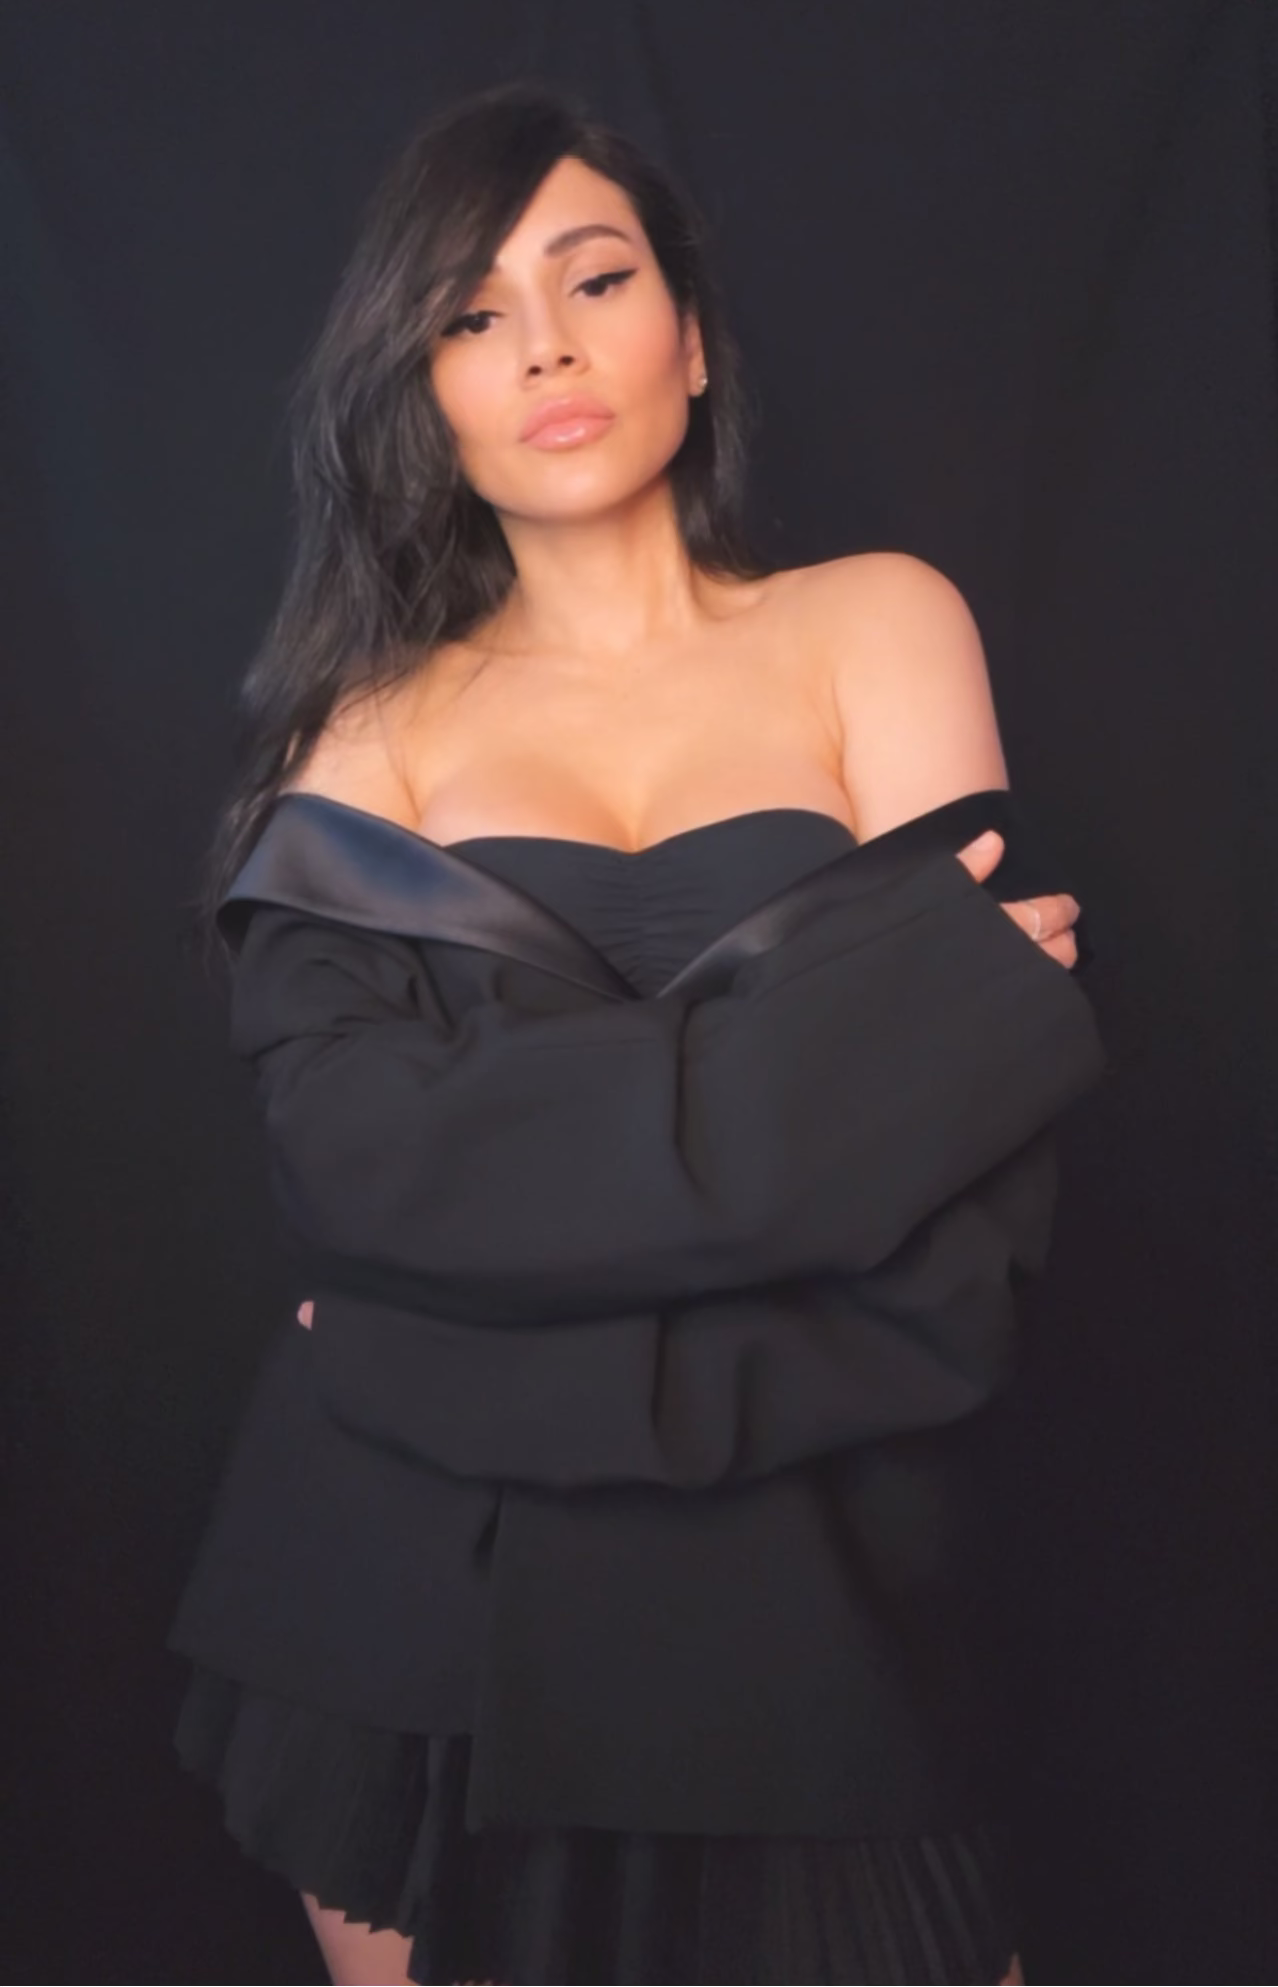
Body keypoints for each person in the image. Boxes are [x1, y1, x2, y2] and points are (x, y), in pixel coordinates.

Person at [171, 80, 1105, 1987]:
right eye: (473, 311)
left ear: (687, 330)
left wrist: (473, 1269)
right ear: (422, 389)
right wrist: (861, 1057)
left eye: (594, 279)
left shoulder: (876, 625)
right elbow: (360, 1168)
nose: (547, 345)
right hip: (411, 1579)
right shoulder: (361, 734)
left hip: (815, 1575)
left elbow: (970, 1216)